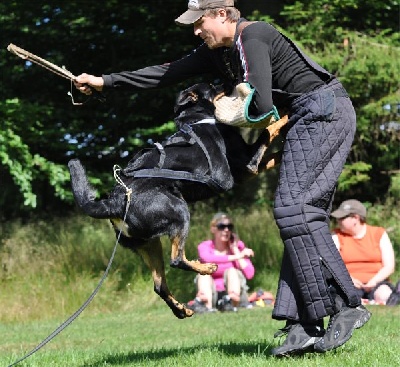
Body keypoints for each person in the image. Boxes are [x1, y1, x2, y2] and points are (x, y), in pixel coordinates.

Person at [74, 0, 371, 355]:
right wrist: (104, 82)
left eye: (200, 23)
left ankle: (346, 304)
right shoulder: (216, 52)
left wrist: (226, 105)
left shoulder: (254, 35)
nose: (197, 31)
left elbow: (261, 107)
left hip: (324, 112)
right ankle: (302, 326)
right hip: (304, 120)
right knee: (297, 215)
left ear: (221, 14)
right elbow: (164, 72)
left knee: (294, 210)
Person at [331, 199, 399, 305]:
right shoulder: (336, 236)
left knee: (385, 295)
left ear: (356, 218)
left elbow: (389, 266)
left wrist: (374, 281)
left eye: (342, 218)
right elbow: (332, 265)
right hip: (348, 284)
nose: (338, 221)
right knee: (344, 297)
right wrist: (349, 279)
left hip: (377, 282)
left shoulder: (378, 233)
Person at [187, 212, 255, 313]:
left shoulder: (238, 247)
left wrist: (235, 249)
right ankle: (207, 308)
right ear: (213, 229)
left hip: (235, 294)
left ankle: (231, 304)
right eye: (222, 226)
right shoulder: (205, 246)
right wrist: (238, 256)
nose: (226, 230)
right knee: (204, 274)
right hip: (213, 293)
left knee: (232, 271)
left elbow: (249, 274)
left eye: (229, 226)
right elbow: (208, 259)